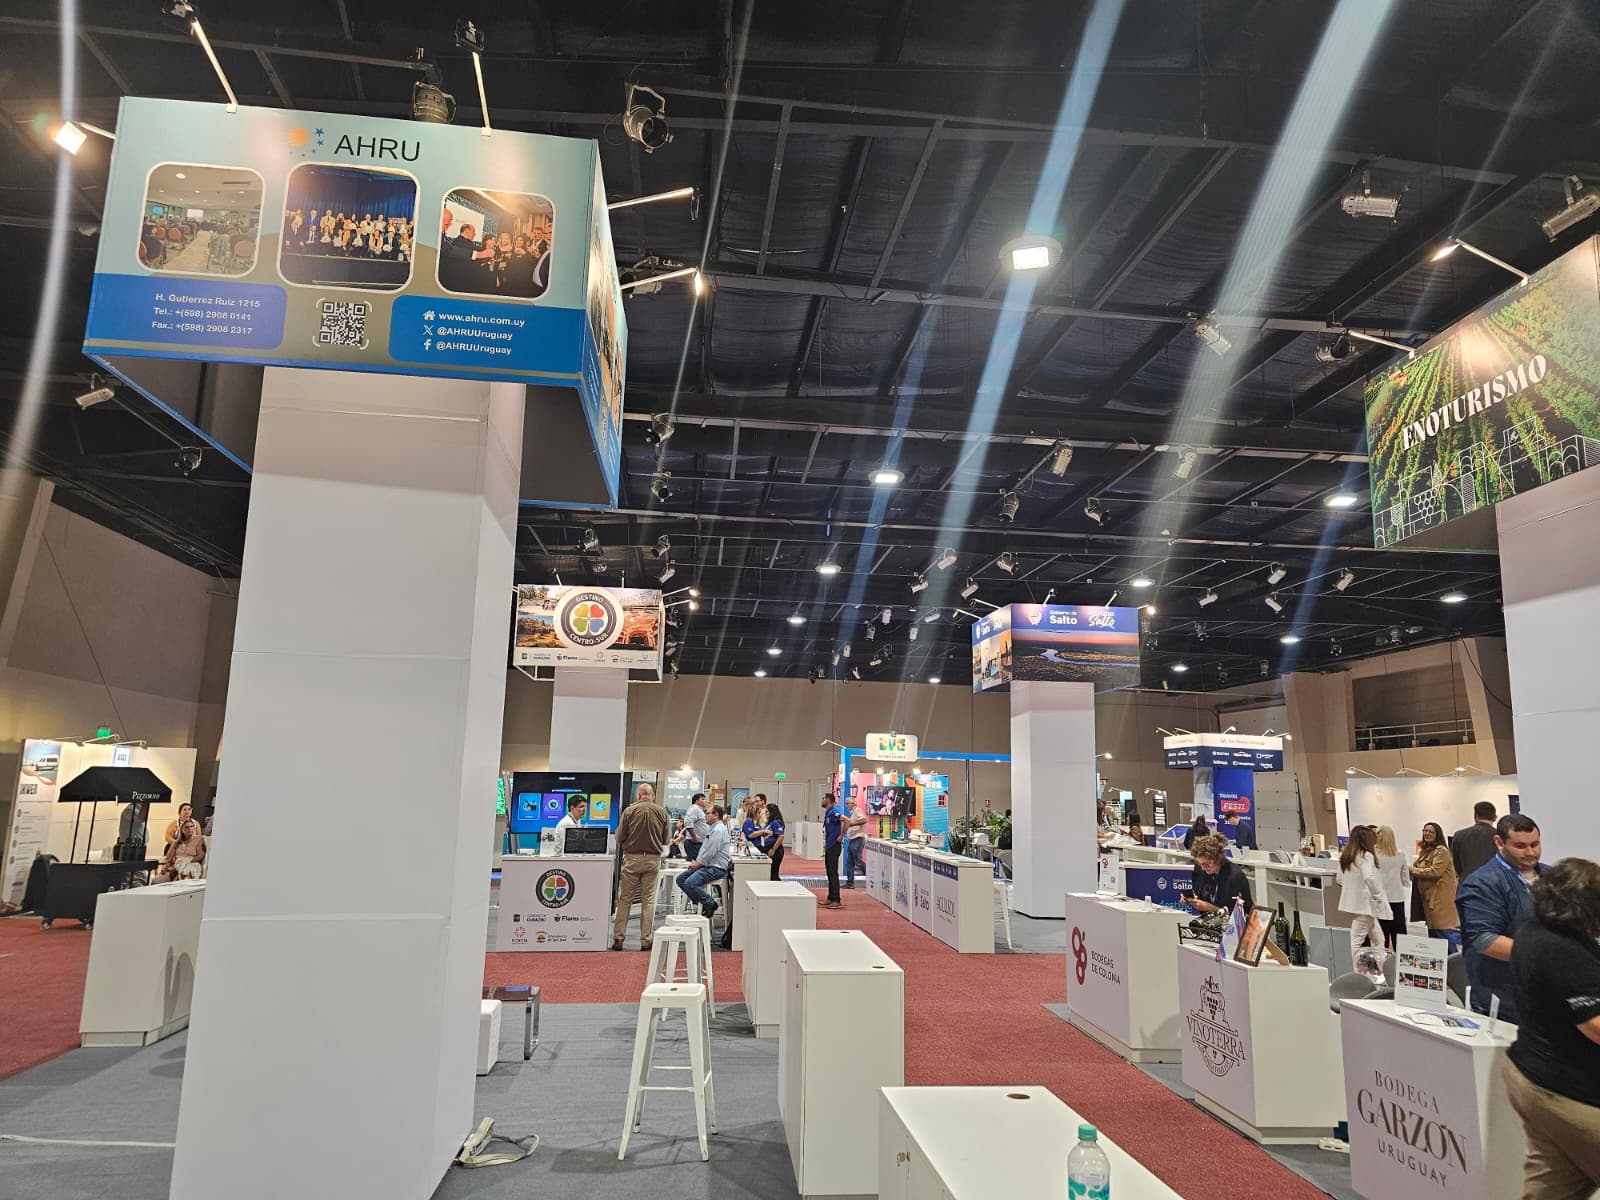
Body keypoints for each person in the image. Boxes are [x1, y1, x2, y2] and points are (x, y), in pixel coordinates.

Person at [1503, 858, 1600, 1200]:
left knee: (1553, 1182)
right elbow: (1596, 1026)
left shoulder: (1532, 931)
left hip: (1531, 1077)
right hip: (1572, 1093)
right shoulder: (1565, 950)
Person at [1458, 813, 1549, 1022]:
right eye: (1520, 846)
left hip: (1545, 993)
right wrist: (1546, 955)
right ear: (1499, 842)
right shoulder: (1481, 883)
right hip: (1504, 998)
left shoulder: (1551, 876)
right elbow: (1485, 940)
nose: (1530, 852)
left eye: (1535, 844)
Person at [612, 783, 670, 952]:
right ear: (652, 795)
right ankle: (646, 940)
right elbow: (666, 839)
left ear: (638, 795)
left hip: (632, 859)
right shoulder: (662, 812)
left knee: (625, 899)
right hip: (652, 860)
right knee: (648, 900)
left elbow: (619, 836)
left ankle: (618, 938)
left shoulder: (629, 811)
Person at [1338, 825, 1388, 965]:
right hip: (1365, 905)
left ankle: (1380, 967)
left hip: (1356, 905)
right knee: (1357, 941)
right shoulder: (1366, 855)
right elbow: (1369, 877)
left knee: (1378, 938)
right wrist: (1378, 895)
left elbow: (1339, 879)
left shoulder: (1347, 856)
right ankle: (1358, 970)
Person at [1409, 821, 1461, 951]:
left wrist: (1413, 870)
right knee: (1435, 940)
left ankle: (1454, 963)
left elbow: (1435, 872)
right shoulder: (1426, 852)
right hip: (1428, 902)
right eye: (1425, 831)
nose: (1427, 833)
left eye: (1431, 832)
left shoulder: (1442, 851)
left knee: (1444, 936)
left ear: (1437, 834)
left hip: (1440, 902)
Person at [676, 804, 731, 919]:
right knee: (680, 879)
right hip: (706, 865)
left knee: (689, 883)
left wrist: (698, 864)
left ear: (716, 815)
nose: (705, 816)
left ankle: (710, 903)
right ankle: (703, 903)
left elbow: (710, 852)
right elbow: (704, 849)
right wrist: (697, 862)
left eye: (708, 813)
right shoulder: (713, 828)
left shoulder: (718, 830)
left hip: (716, 867)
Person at [1182, 833, 1253, 915]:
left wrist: (1213, 909)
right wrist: (1191, 899)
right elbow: (1198, 893)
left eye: (1207, 864)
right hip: (1207, 918)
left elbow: (1244, 913)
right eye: (1200, 863)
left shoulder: (1235, 876)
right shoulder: (1199, 869)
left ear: (1219, 858)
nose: (1203, 868)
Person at [1374, 825, 1411, 949]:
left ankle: (1382, 959)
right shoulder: (1400, 855)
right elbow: (1405, 879)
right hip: (1397, 898)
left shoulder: (1372, 855)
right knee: (1399, 935)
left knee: (1381, 935)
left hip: (1379, 899)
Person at [1451, 801, 1499, 882]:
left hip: (1467, 883)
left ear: (1476, 816)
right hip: (1492, 883)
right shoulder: (1500, 836)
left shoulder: (1459, 835)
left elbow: (1458, 866)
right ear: (1494, 817)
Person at [156, 813, 206, 881]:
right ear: (181, 830)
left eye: (191, 826)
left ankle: (181, 878)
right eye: (187, 827)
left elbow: (200, 856)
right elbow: (168, 859)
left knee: (189, 871)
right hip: (176, 865)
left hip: (191, 864)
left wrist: (186, 860)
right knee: (157, 880)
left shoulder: (199, 839)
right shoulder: (176, 842)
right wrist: (165, 866)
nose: (190, 829)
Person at [822, 792, 846, 909]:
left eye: (824, 798)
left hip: (834, 846)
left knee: (833, 873)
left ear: (828, 800)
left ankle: (836, 899)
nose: (822, 800)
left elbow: (846, 820)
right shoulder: (828, 812)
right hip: (829, 845)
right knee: (829, 872)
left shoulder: (833, 811)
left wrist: (841, 835)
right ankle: (830, 897)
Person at [752, 802, 786, 881]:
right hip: (769, 848)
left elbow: (781, 836)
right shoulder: (770, 822)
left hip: (776, 850)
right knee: (770, 874)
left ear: (772, 812)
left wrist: (773, 849)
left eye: (767, 811)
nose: (765, 813)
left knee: (774, 875)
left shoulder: (776, 822)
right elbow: (772, 834)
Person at [675, 792, 709, 861]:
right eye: (702, 799)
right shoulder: (694, 809)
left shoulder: (700, 810)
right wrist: (694, 837)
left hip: (699, 842)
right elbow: (688, 822)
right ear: (697, 801)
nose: (705, 801)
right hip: (694, 843)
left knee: (697, 864)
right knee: (694, 864)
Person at [843, 795, 868, 889]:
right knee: (849, 861)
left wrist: (852, 823)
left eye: (847, 803)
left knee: (857, 860)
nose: (846, 805)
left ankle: (870, 875)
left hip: (858, 838)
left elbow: (864, 820)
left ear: (853, 803)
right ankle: (850, 883)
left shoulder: (857, 810)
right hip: (853, 839)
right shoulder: (852, 813)